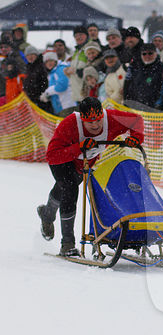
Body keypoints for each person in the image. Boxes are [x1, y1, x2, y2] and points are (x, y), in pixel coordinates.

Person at [36, 97, 144, 256]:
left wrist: (136, 138)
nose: (95, 125)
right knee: (70, 188)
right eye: (89, 122)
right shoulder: (70, 123)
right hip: (62, 160)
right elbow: (52, 155)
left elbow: (136, 120)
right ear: (82, 119)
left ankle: (47, 214)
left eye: (98, 121)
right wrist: (79, 148)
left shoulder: (112, 118)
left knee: (64, 187)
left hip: (84, 162)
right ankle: (67, 244)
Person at [124, 43, 163, 110]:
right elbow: (127, 86)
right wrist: (127, 103)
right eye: (144, 54)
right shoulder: (135, 67)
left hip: (153, 110)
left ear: (156, 53)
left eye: (150, 53)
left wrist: (158, 105)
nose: (147, 56)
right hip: (135, 108)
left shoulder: (161, 68)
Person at [40, 52, 75, 116]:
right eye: (47, 62)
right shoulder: (52, 72)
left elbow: (62, 86)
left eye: (51, 60)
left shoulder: (60, 69)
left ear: (55, 61)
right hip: (61, 107)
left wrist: (47, 92)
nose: (49, 63)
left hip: (67, 105)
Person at [63, 26, 88, 104]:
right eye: (76, 35)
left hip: (86, 94)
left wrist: (76, 71)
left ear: (86, 35)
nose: (78, 37)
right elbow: (74, 70)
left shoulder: (89, 48)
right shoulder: (76, 51)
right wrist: (67, 71)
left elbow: (92, 69)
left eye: (81, 34)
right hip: (77, 94)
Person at [23, 46, 52, 112]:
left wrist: (41, 95)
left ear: (36, 55)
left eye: (32, 54)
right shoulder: (28, 67)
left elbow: (45, 82)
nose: (30, 57)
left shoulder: (41, 66)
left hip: (41, 100)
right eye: (28, 55)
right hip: (31, 100)